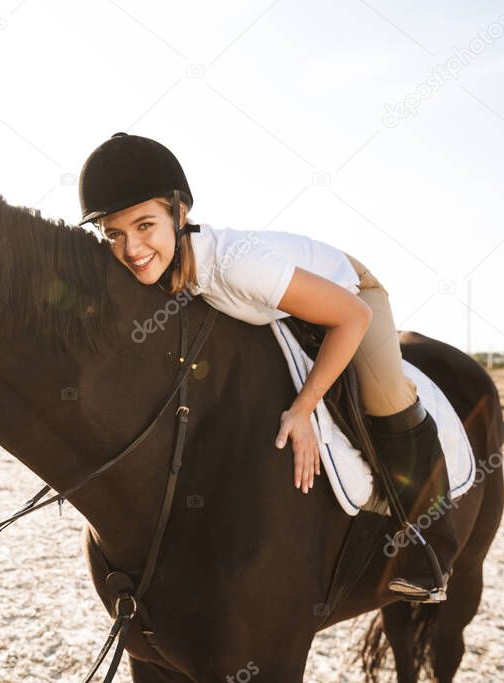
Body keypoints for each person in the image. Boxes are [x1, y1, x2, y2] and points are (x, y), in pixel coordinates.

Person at [77, 132, 456, 602]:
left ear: (179, 214)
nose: (131, 249)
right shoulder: (161, 263)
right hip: (278, 305)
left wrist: (302, 411)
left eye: (144, 226)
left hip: (352, 293)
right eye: (114, 233)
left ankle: (433, 545)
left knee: (386, 395)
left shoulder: (240, 266)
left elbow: (352, 318)